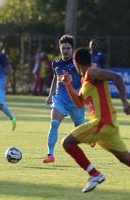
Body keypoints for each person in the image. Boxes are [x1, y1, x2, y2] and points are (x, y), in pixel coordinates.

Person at [60, 47, 130, 199]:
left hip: (102, 122)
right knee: (125, 158)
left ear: (76, 62)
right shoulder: (86, 78)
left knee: (67, 143)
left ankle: (94, 174)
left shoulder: (92, 72)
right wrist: (68, 85)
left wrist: (124, 101)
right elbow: (79, 102)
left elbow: (116, 77)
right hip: (108, 126)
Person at [42, 34, 85, 163]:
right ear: (60, 48)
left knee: (80, 128)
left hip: (75, 101)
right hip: (60, 99)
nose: (65, 50)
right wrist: (50, 96)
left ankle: (90, 137)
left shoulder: (77, 63)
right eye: (63, 48)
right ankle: (50, 155)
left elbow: (85, 79)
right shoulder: (56, 63)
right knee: (54, 123)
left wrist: (80, 91)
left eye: (68, 48)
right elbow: (55, 79)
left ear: (72, 49)